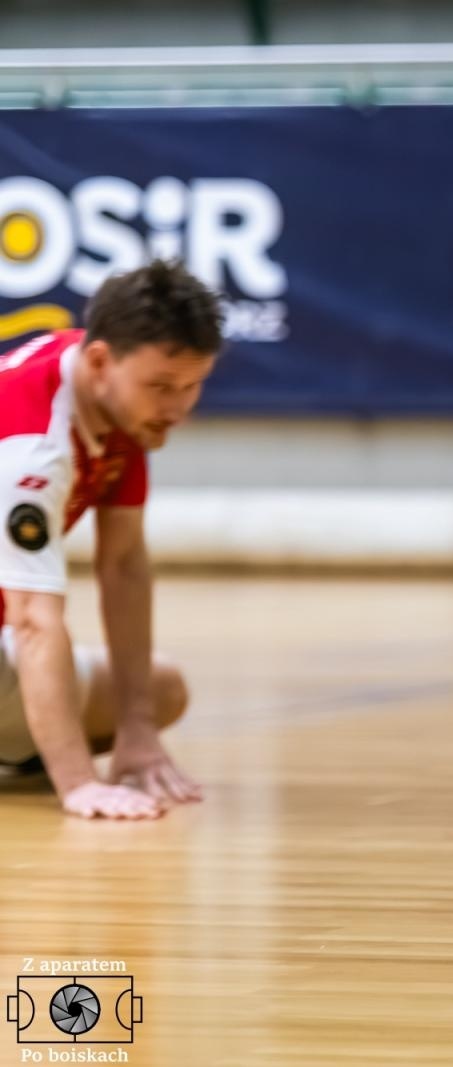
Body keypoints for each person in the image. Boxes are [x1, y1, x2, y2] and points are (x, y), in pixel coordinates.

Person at [0, 260, 223, 820]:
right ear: (100, 362)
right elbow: (32, 620)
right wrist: (79, 784)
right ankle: (51, 761)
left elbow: (123, 564)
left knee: (160, 689)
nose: (176, 408)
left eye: (193, 386)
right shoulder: (33, 447)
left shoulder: (117, 397)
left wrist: (138, 730)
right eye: (162, 388)